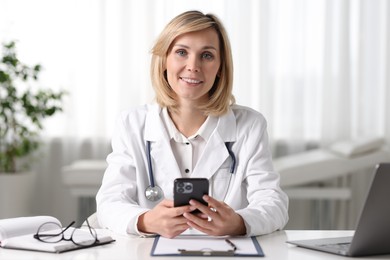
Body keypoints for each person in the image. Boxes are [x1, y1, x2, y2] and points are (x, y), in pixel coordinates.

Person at [96, 10, 288, 238]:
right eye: (181, 52)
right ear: (164, 60)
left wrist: (239, 223)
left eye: (206, 55)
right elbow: (109, 204)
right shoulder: (132, 124)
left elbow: (274, 203)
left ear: (220, 68)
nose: (193, 66)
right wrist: (146, 221)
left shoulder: (250, 125)